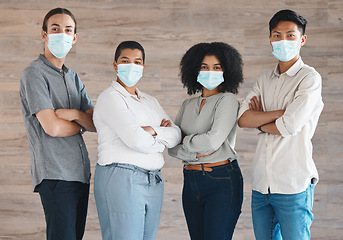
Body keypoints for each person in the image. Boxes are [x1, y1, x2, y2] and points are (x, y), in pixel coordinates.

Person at [238, 9, 324, 240]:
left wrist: (262, 119)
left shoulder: (309, 78)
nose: (283, 41)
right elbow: (243, 118)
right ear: (270, 39)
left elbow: (290, 126)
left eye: (290, 35)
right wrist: (278, 114)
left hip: (293, 185)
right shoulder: (264, 79)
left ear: (302, 39)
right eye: (277, 35)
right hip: (261, 186)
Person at [93, 40, 181, 240]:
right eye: (125, 60)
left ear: (143, 67)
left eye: (137, 61)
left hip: (153, 181)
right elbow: (135, 140)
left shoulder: (151, 101)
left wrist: (150, 130)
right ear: (115, 65)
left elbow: (176, 136)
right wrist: (160, 138)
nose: (132, 66)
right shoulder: (110, 97)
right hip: (122, 178)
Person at [20, 8, 95, 240]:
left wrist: (73, 114)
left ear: (74, 37)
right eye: (55, 29)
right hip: (56, 176)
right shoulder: (34, 74)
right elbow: (52, 127)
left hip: (79, 176)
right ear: (44, 35)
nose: (61, 34)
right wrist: (80, 123)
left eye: (68, 30)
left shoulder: (73, 77)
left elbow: (94, 122)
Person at [168, 42, 244, 240]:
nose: (210, 72)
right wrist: (193, 149)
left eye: (217, 67)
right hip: (191, 181)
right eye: (204, 67)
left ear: (227, 71)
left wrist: (183, 141)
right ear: (194, 70)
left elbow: (212, 142)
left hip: (221, 180)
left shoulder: (227, 100)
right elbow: (171, 146)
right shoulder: (187, 104)